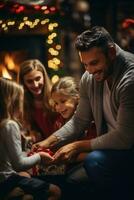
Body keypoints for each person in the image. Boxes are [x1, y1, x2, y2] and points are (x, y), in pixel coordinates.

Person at [34, 26, 134, 199]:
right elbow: (79, 121)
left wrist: (77, 145)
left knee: (93, 161)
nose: (89, 70)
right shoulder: (90, 76)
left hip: (128, 147)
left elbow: (124, 137)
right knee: (70, 180)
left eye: (94, 63)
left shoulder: (130, 79)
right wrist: (48, 141)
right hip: (111, 148)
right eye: (85, 64)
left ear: (111, 52)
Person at [0, 77, 61, 200]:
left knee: (28, 194)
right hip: (6, 180)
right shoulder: (9, 125)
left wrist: (27, 153)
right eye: (20, 100)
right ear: (12, 102)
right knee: (55, 191)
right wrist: (39, 157)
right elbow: (18, 164)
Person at [18, 59, 58, 144]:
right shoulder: (24, 103)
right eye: (29, 81)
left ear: (44, 76)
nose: (35, 85)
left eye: (38, 78)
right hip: (43, 145)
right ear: (23, 83)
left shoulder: (56, 96)